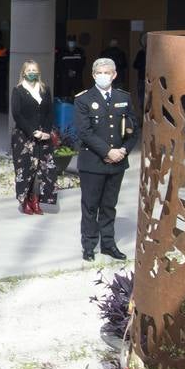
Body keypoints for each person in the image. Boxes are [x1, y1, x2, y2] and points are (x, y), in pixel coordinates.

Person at [74, 57, 139, 262]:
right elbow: (84, 132)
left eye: (107, 72)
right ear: (93, 75)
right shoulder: (83, 99)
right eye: (99, 73)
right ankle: (89, 245)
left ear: (114, 75)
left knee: (109, 205)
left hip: (117, 162)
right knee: (91, 206)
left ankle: (108, 245)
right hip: (93, 163)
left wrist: (123, 151)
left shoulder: (123, 97)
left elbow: (133, 129)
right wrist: (107, 152)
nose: (104, 76)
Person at [10, 61, 58, 216]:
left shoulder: (45, 89)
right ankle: (25, 201)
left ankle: (36, 200)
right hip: (25, 137)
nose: (32, 72)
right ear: (23, 72)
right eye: (29, 70)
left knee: (43, 170)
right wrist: (33, 132)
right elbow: (17, 115)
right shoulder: (18, 90)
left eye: (34, 70)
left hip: (43, 136)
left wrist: (47, 131)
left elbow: (50, 112)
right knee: (26, 170)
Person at [57, 37, 86, 102]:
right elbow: (59, 65)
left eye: (73, 41)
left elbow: (82, 63)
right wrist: (67, 72)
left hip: (77, 78)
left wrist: (75, 71)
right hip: (65, 78)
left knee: (80, 95)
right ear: (67, 42)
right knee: (65, 96)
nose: (71, 43)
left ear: (75, 43)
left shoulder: (80, 51)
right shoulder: (62, 52)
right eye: (70, 41)